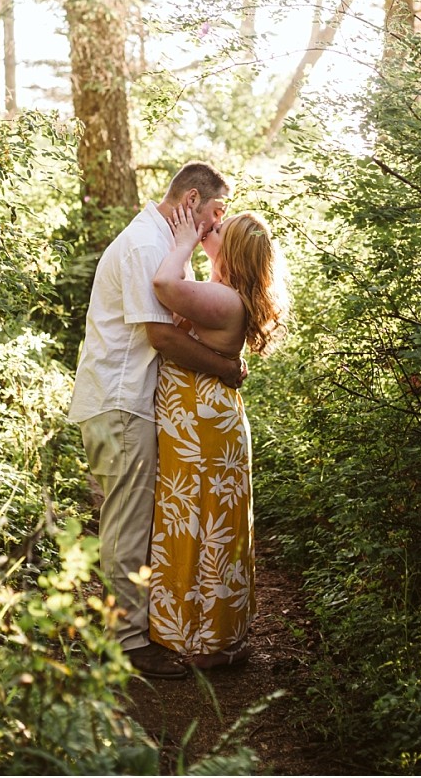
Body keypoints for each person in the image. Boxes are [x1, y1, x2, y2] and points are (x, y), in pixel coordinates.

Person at [68, 162, 246, 679]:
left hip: (125, 403)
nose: (217, 224)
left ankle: (131, 630)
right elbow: (162, 337)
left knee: (131, 521)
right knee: (127, 524)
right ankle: (125, 643)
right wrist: (225, 369)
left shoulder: (162, 243)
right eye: (216, 212)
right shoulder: (148, 245)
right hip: (121, 402)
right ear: (191, 201)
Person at [148, 203, 288, 669]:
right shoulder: (219, 291)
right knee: (193, 521)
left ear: (233, 251)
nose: (212, 225)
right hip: (198, 422)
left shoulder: (225, 299)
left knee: (203, 525)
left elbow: (164, 285)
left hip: (204, 426)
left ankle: (209, 643)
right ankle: (200, 632)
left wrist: (183, 241)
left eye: (220, 228)